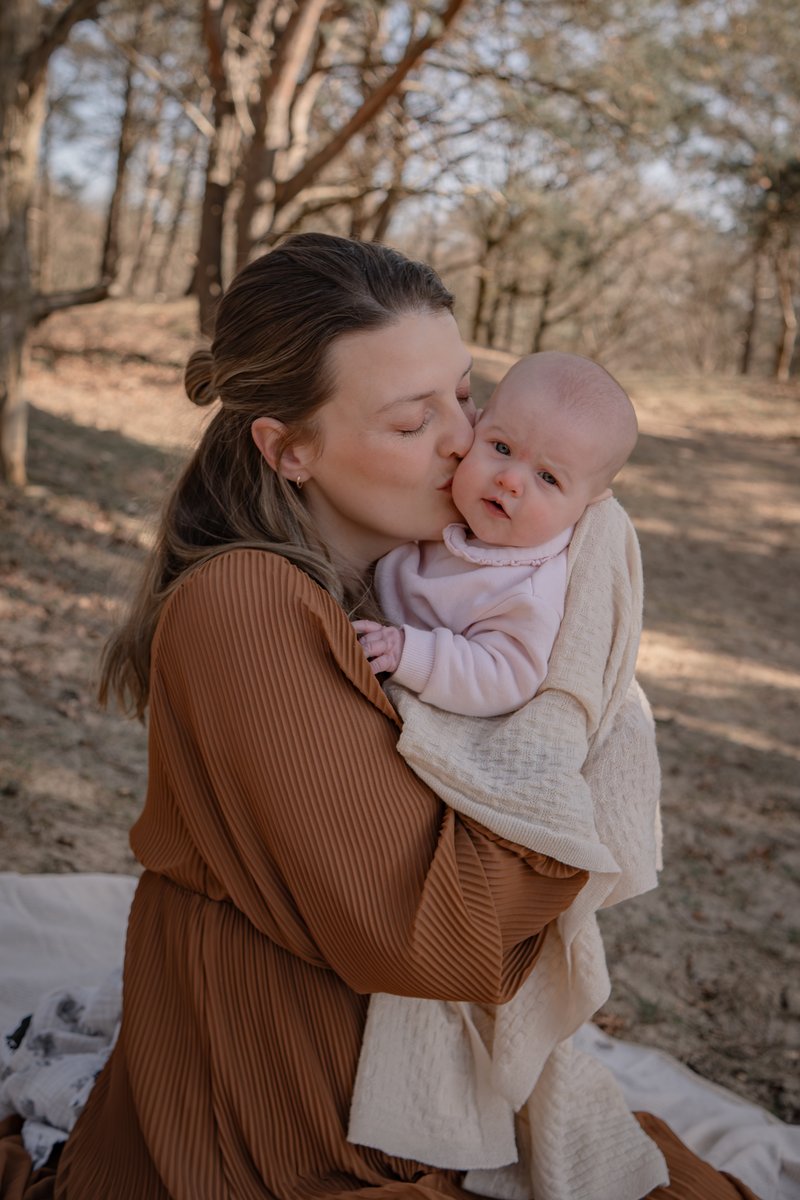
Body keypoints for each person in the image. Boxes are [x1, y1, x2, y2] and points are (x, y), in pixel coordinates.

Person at [0, 232, 759, 1199]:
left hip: (395, 1085)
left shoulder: (417, 588)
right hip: (286, 1129)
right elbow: (449, 936)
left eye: (465, 394)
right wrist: (574, 700)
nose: (462, 443)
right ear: (289, 448)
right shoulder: (246, 604)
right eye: (412, 422)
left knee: (657, 1165)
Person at [352, 351, 638, 717]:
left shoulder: (527, 589)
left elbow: (504, 679)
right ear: (479, 424)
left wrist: (410, 653)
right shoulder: (440, 505)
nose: (511, 479)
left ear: (588, 502)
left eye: (548, 477)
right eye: (501, 447)